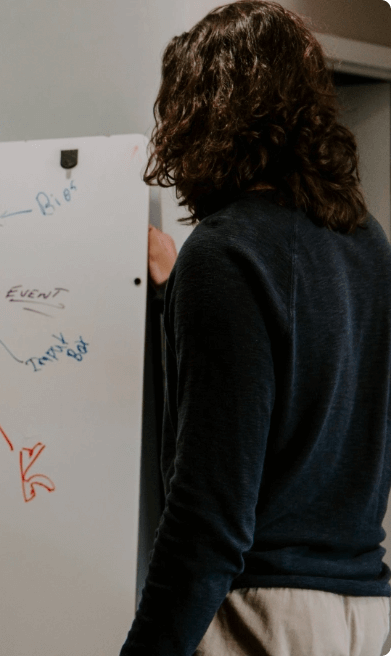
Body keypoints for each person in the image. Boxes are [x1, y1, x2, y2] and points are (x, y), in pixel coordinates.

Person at [123, 2, 391, 654]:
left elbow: (208, 515)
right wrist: (174, 289)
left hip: (265, 615)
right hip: (364, 612)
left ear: (202, 114)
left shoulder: (225, 253)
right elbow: (309, 382)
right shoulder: (366, 241)